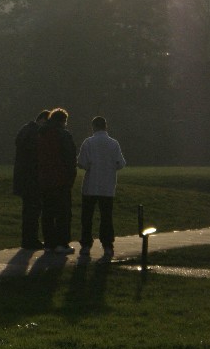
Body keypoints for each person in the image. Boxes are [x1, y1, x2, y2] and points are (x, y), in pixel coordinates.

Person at [77, 116, 127, 258]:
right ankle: (107, 245)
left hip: (90, 185)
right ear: (106, 126)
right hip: (107, 186)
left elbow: (82, 163)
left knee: (87, 217)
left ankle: (86, 244)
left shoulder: (88, 142)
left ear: (93, 127)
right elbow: (121, 163)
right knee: (106, 217)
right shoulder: (113, 143)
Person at [37, 108, 77, 254]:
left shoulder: (41, 133)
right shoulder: (63, 135)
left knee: (47, 213)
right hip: (60, 179)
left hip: (45, 179)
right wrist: (71, 177)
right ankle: (62, 243)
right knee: (63, 213)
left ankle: (49, 243)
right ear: (63, 120)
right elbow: (69, 158)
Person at [13, 109, 50, 250]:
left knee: (28, 210)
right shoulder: (35, 134)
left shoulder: (25, 131)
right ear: (41, 120)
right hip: (32, 179)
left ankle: (27, 239)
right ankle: (31, 240)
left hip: (24, 178)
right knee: (33, 211)